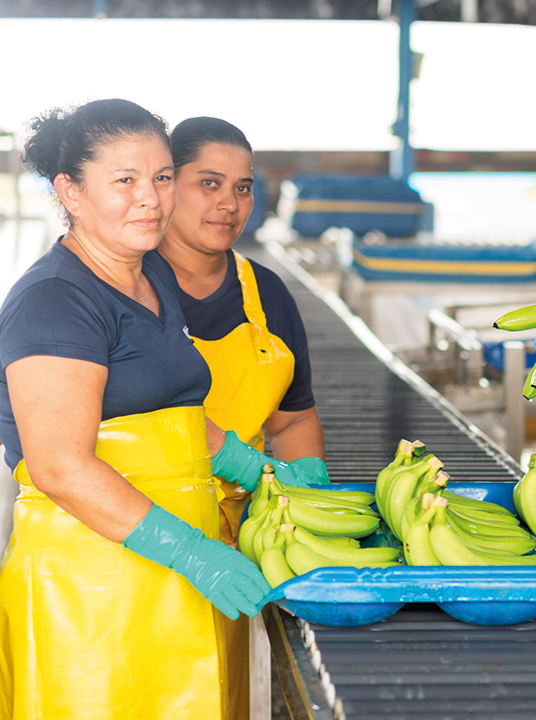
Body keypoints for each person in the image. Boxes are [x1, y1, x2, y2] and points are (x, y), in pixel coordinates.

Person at [0, 99, 315, 719]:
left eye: (162, 177)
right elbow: (61, 465)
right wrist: (193, 554)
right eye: (125, 180)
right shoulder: (56, 300)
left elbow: (166, 412)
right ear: (71, 190)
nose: (152, 198)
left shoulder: (150, 277)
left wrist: (255, 469)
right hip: (92, 591)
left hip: (170, 568)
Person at [158, 116, 327, 720]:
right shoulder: (123, 286)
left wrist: (307, 498)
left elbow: (292, 419)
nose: (230, 204)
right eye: (209, 183)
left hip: (236, 547)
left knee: (222, 697)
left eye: (244, 187)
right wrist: (238, 458)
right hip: (140, 537)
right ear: (164, 184)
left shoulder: (267, 294)